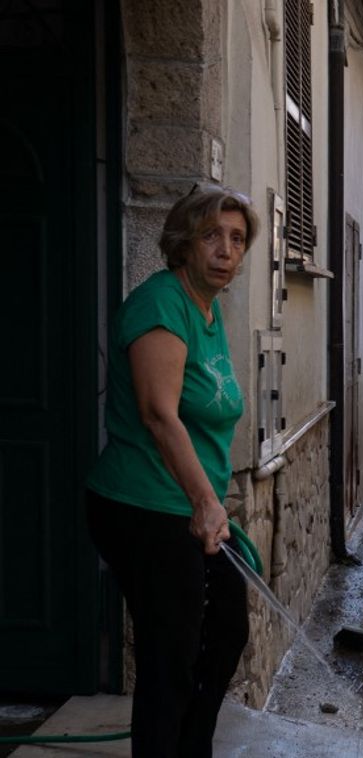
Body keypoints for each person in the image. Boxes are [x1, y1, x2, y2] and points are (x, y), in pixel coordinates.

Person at [84, 184, 257, 755]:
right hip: (144, 506)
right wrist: (207, 503)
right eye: (212, 236)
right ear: (184, 242)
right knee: (172, 655)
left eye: (236, 238)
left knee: (224, 631)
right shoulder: (162, 303)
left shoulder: (207, 310)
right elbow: (160, 415)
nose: (225, 250)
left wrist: (211, 499)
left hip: (185, 505)